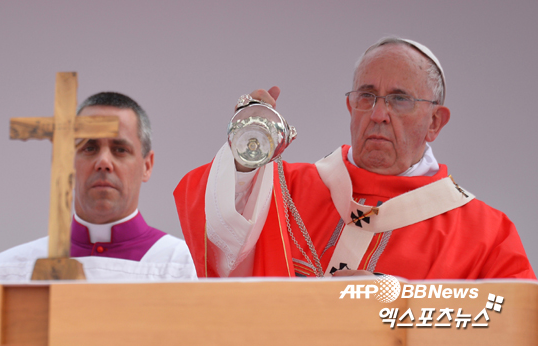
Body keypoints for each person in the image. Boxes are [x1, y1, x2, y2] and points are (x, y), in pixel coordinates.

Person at [174, 37, 536, 280]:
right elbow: (222, 235)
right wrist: (247, 151)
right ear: (351, 106)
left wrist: (399, 304)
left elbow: (509, 322)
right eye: (367, 96)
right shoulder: (283, 189)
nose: (379, 114)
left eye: (400, 99)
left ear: (435, 122)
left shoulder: (486, 234)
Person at [0, 92, 196, 281]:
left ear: (147, 166)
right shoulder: (7, 273)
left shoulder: (186, 269)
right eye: (89, 147)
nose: (103, 162)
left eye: (120, 149)